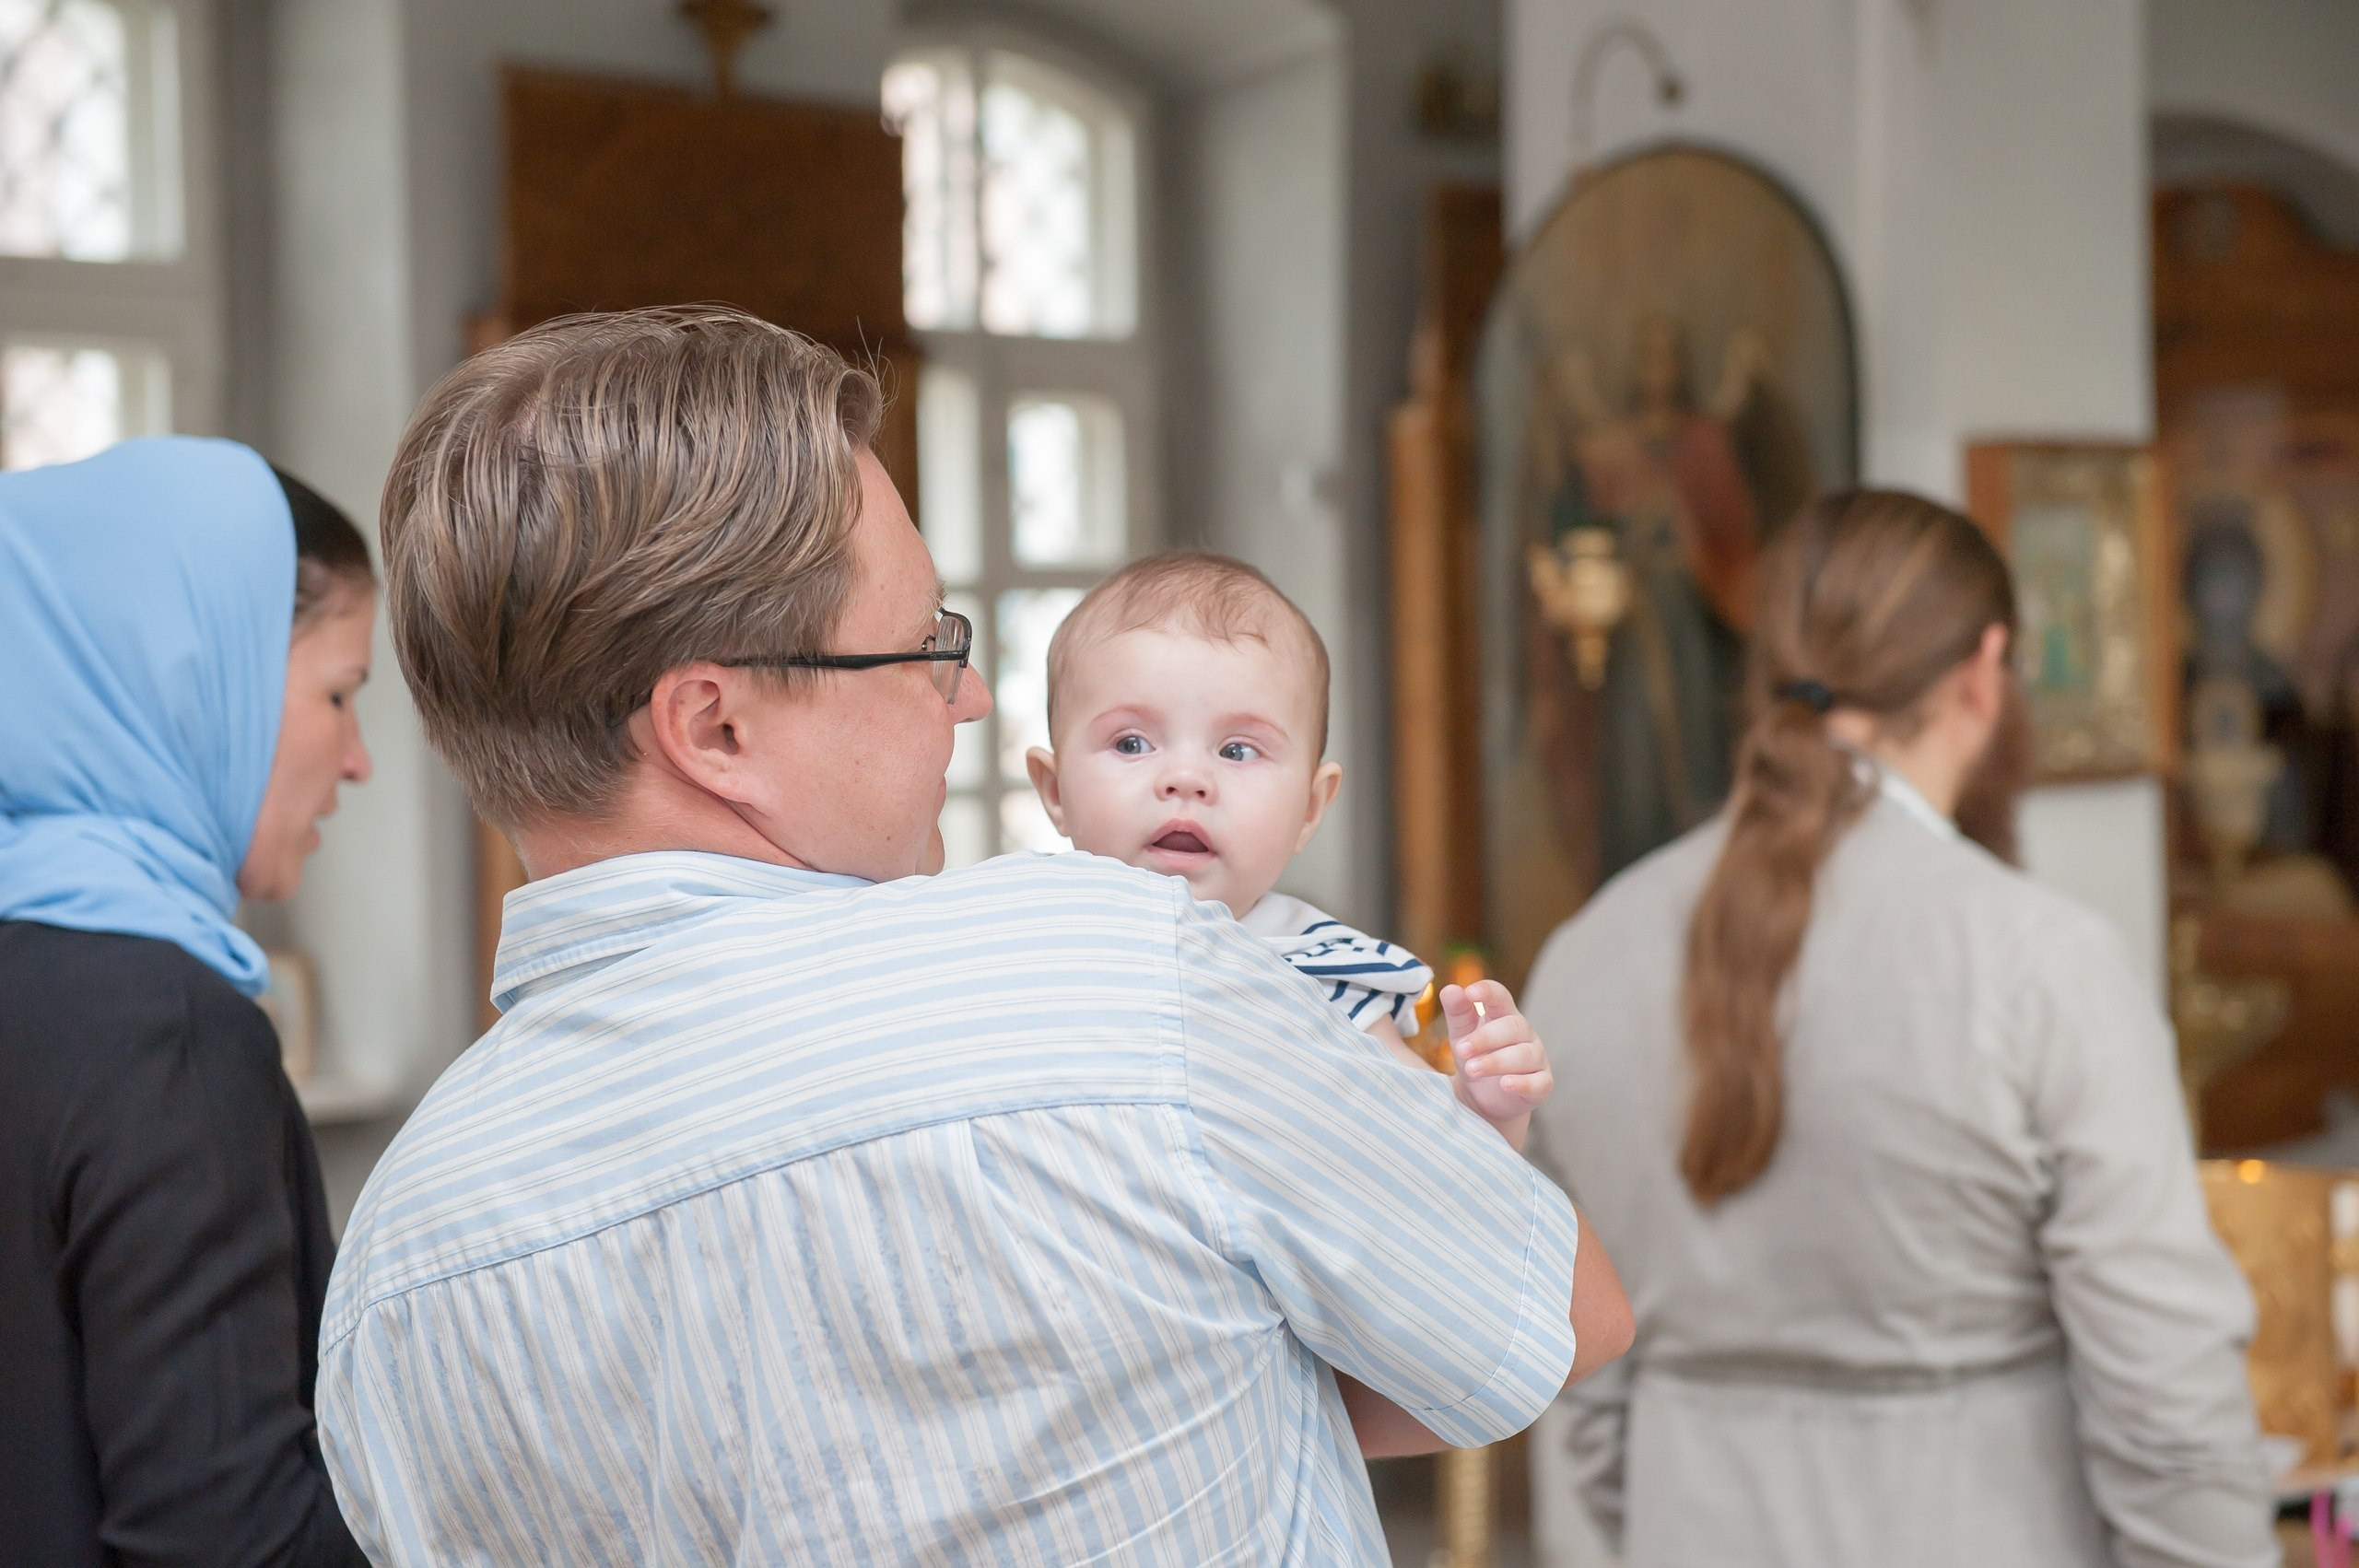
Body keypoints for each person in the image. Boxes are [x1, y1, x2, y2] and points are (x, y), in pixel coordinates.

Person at [318, 306, 1632, 1564]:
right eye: (924, 644)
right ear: (715, 727)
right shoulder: (1113, 975)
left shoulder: (394, 1259)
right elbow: (1558, 1312)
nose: (971, 694)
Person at [1522, 488, 2274, 1568]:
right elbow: (2165, 1400)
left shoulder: (1582, 957)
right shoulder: (2042, 963)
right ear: (1984, 672)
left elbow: (1582, 1394)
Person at [0, 438, 377, 1566]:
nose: (357, 760)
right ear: (192, 673)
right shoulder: (166, 1034)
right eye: (338, 694)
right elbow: (224, 1540)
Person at [1025, 550, 1552, 1148]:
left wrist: (1488, 1111)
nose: (1186, 778)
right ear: (1054, 789)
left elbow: (1433, 1151)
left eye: (1238, 751)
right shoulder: (1026, 943)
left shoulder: (1322, 974)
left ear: (1310, 808)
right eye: (1132, 742)